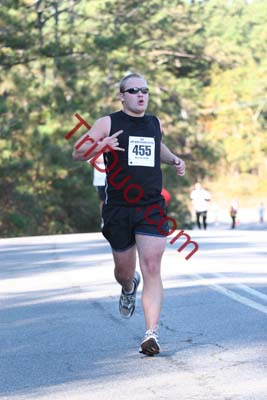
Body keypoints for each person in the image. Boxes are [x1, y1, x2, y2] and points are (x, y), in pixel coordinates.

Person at [72, 73, 185, 356]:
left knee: (153, 267)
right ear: (122, 95)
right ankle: (127, 286)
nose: (141, 95)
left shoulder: (154, 122)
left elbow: (156, 145)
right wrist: (101, 146)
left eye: (145, 90)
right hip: (119, 208)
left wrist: (173, 159)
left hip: (150, 205)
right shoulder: (108, 123)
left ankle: (151, 334)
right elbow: (77, 152)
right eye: (134, 90)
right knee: (124, 271)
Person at [91, 154, 106, 226]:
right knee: (103, 200)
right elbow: (91, 159)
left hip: (114, 179)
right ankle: (104, 220)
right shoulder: (95, 145)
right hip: (100, 179)